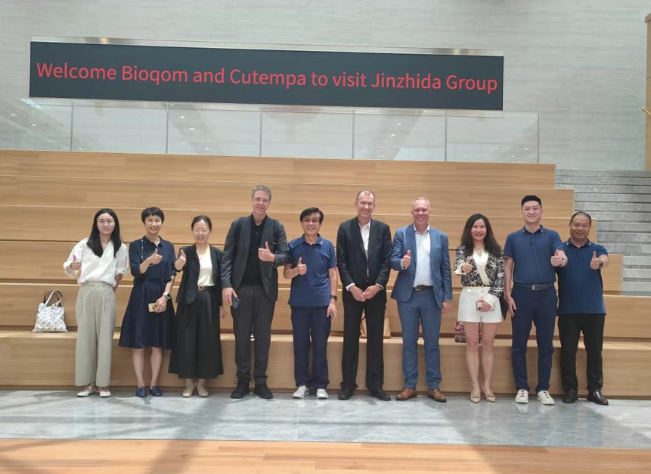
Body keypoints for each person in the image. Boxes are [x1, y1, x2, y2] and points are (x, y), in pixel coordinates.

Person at [221, 185, 290, 399]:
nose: (260, 203)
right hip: (239, 290)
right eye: (257, 199)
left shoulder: (277, 227)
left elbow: (286, 255)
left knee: (263, 338)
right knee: (241, 338)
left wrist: (272, 258)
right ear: (252, 200)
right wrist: (226, 284)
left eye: (264, 200)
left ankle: (260, 382)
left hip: (265, 291)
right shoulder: (238, 225)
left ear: (269, 203)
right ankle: (242, 381)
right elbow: (227, 256)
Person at [503, 195, 568, 405]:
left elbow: (561, 255)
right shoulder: (513, 237)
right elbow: (507, 267)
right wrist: (507, 294)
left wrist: (561, 260)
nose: (531, 212)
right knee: (519, 344)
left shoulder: (552, 235)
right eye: (527, 208)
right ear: (522, 212)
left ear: (541, 211)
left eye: (535, 208)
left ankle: (543, 388)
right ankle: (521, 387)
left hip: (547, 295)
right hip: (521, 294)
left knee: (546, 344)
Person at [391, 197, 453, 403]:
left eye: (424, 209)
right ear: (412, 212)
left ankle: (434, 386)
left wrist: (447, 297)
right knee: (409, 342)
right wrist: (402, 263)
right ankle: (410, 386)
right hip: (407, 297)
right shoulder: (401, 234)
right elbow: (393, 260)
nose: (420, 213)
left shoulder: (441, 237)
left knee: (432, 343)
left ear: (429, 212)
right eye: (417, 209)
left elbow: (445, 269)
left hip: (431, 297)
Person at [64, 209, 128, 398]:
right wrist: (72, 267)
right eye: (101, 221)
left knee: (105, 339)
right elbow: (69, 267)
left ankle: (103, 384)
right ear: (96, 223)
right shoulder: (84, 244)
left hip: (107, 291)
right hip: (86, 291)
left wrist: (110, 291)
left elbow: (120, 272)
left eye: (109, 221)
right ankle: (88, 383)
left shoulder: (120, 247)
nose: (105, 224)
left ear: (115, 224)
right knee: (86, 338)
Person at [336, 190, 393, 401]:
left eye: (370, 203)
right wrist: (351, 287)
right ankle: (348, 385)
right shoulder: (345, 228)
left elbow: (387, 262)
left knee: (376, 340)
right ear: (356, 204)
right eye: (363, 203)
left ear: (374, 206)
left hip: (376, 293)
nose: (366, 207)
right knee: (350, 339)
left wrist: (378, 286)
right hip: (353, 292)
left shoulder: (383, 229)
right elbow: (341, 261)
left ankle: (376, 385)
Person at [119, 207, 176, 398]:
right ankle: (140, 385)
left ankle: (154, 384)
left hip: (161, 296)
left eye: (157, 220)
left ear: (162, 222)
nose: (154, 224)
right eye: (150, 220)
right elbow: (136, 271)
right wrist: (149, 261)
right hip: (141, 294)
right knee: (139, 343)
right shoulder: (136, 245)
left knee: (157, 343)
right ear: (144, 223)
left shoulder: (168, 246)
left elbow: (172, 274)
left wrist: (165, 296)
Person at [283, 208, 338, 400]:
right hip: (299, 304)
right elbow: (286, 273)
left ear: (320, 224)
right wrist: (296, 271)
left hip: (322, 304)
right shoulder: (293, 245)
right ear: (302, 223)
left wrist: (333, 300)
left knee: (320, 345)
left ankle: (321, 384)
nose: (311, 223)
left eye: (315, 220)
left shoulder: (328, 246)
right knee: (300, 345)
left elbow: (333, 274)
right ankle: (302, 384)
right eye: (307, 220)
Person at [556, 212, 609, 405]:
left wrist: (599, 263)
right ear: (570, 225)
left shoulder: (597, 248)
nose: (580, 228)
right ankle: (570, 389)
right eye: (576, 224)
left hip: (594, 309)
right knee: (568, 351)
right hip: (567, 310)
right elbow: (556, 263)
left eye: (584, 225)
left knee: (594, 351)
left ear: (589, 227)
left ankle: (594, 390)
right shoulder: (560, 249)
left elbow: (605, 259)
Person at [169, 216, 225, 398]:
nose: (200, 233)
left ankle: (202, 384)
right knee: (186, 341)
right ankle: (188, 384)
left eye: (204, 230)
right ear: (192, 231)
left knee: (207, 341)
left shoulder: (217, 254)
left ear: (210, 231)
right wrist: (179, 263)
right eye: (197, 230)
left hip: (209, 299)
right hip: (188, 300)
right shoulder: (185, 251)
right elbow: (175, 267)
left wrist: (221, 305)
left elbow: (220, 281)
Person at [454, 214, 505, 403]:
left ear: (487, 229)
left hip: (491, 299)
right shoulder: (462, 250)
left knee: (489, 344)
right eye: (475, 226)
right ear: (469, 229)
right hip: (469, 297)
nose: (478, 230)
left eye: (482, 226)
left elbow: (501, 278)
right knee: (472, 344)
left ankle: (487, 385)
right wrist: (463, 269)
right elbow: (458, 268)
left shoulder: (496, 251)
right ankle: (475, 385)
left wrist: (490, 299)